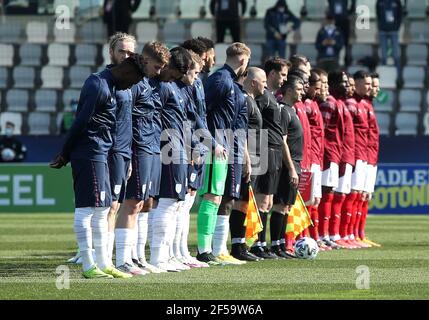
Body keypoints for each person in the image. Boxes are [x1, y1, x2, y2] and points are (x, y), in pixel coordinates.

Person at [50, 53, 147, 279]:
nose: (131, 86)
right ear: (127, 71)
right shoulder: (97, 84)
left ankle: (104, 263)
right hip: (89, 152)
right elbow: (80, 122)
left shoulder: (113, 85)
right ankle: (87, 265)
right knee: (86, 208)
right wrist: (65, 153)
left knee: (103, 208)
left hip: (102, 152)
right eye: (133, 80)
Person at [115, 41, 170, 275]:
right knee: (131, 204)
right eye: (157, 67)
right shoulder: (134, 84)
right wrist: (127, 153)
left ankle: (135, 257)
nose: (159, 71)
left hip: (151, 147)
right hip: (138, 148)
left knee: (143, 203)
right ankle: (122, 259)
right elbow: (126, 120)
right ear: (145, 61)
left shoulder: (149, 83)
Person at [195, 42, 249, 265]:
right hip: (214, 146)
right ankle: (203, 250)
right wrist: (207, 142)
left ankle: (215, 250)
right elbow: (200, 111)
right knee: (212, 196)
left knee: (219, 197)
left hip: (224, 147)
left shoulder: (231, 83)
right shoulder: (220, 80)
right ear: (244, 61)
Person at [251, 57, 290, 260]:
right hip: (264, 150)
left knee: (268, 201)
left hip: (273, 151)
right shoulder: (263, 97)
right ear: (272, 74)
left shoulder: (272, 97)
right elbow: (253, 120)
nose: (284, 79)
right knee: (261, 200)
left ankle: (262, 243)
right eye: (282, 74)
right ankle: (256, 243)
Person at [230, 67, 266, 262]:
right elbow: (241, 131)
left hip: (253, 158)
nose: (266, 85)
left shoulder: (252, 101)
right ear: (253, 82)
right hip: (247, 158)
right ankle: (237, 246)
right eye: (263, 81)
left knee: (245, 202)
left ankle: (242, 244)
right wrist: (246, 158)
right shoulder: (245, 100)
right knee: (240, 203)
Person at [273, 75, 305, 257]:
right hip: (288, 165)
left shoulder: (292, 110)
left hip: (295, 163)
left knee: (286, 206)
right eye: (299, 89)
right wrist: (291, 167)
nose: (302, 92)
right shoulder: (284, 111)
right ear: (290, 90)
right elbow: (283, 141)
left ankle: (282, 246)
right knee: (280, 205)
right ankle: (276, 245)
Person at [328, 71, 356, 249]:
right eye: (344, 82)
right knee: (329, 196)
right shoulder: (331, 103)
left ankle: (341, 234)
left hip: (344, 154)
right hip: (333, 155)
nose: (347, 85)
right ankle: (327, 235)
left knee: (341, 195)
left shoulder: (341, 103)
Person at [359, 72, 381, 247]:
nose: (376, 89)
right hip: (361, 155)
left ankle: (359, 234)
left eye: (375, 86)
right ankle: (347, 234)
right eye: (372, 85)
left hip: (369, 156)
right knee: (355, 196)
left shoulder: (368, 105)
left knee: (364, 196)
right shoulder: (359, 105)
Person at [376, 0, 402, 76]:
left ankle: (398, 76)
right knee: (384, 55)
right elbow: (378, 14)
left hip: (393, 30)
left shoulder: (397, 1)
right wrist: (380, 26)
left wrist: (397, 27)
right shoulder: (379, 1)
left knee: (396, 54)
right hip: (383, 30)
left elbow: (400, 15)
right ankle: (384, 76)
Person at [327, 0, 356, 66]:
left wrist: (348, 13)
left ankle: (347, 59)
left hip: (344, 20)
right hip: (335, 20)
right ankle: (335, 58)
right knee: (335, 39)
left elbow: (353, 4)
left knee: (346, 41)